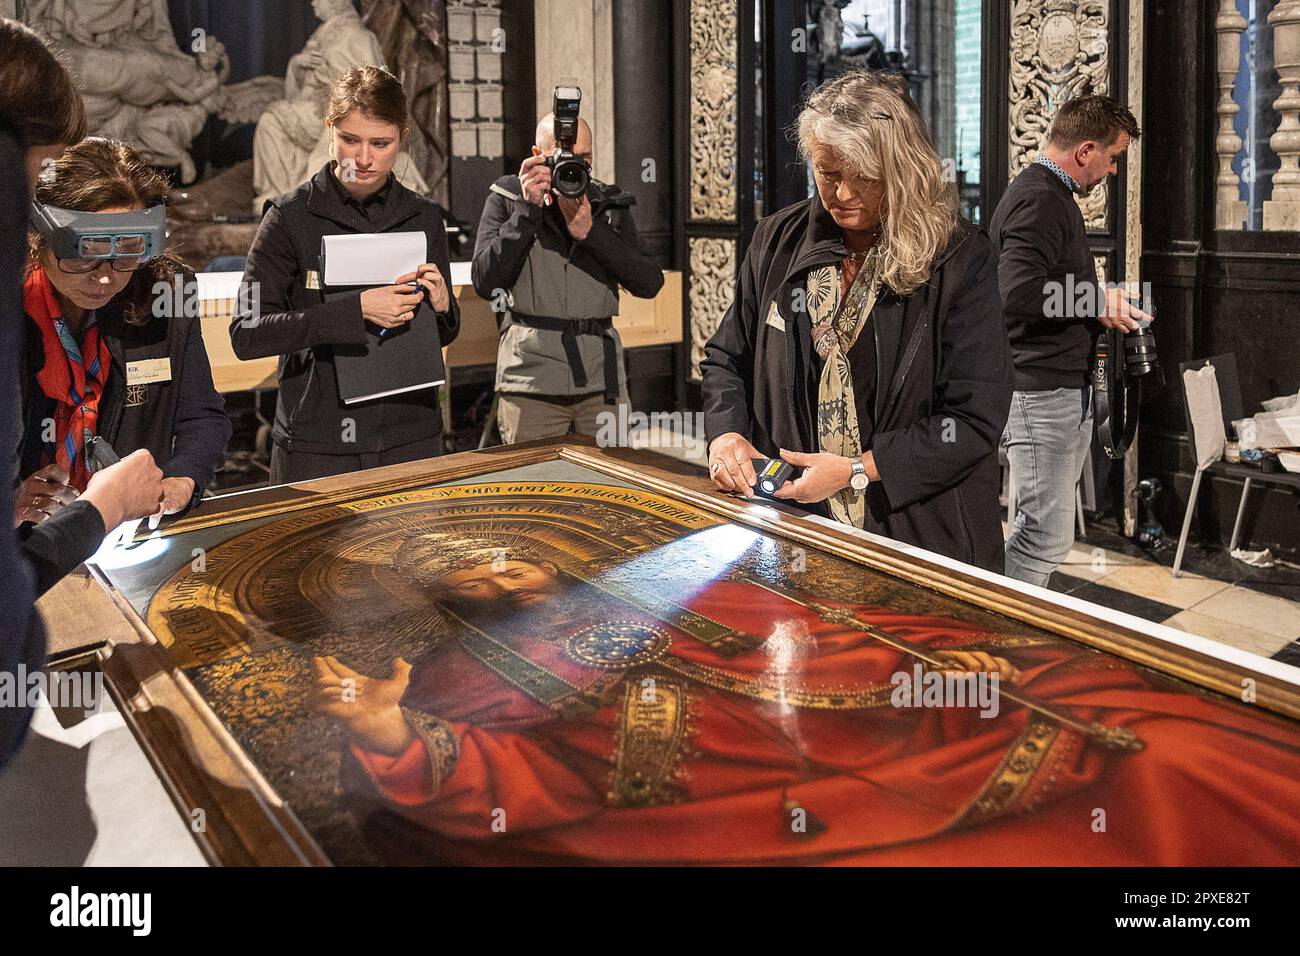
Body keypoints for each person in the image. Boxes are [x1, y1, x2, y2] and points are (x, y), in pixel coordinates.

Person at [308, 531, 1300, 865]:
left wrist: (968, 673)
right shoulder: (459, 676)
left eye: (501, 552)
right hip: (763, 806)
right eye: (468, 573)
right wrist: (394, 729)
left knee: (1173, 741)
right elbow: (529, 780)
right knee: (1142, 794)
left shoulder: (666, 580)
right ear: (452, 598)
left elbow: (860, 637)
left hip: (913, 727)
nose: (496, 570)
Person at [701, 71, 1013, 571]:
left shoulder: (958, 258)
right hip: (792, 524)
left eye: (862, 176)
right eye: (827, 173)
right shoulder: (776, 241)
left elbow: (973, 422)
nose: (841, 193)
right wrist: (726, 434)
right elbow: (726, 358)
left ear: (900, 167)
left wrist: (855, 471)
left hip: (918, 533)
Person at [0, 17, 164, 769]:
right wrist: (102, 507)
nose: (102, 279)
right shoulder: (19, 319)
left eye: (124, 260)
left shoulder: (151, 311)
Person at [232, 65, 459, 484]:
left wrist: (444, 307)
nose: (364, 158)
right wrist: (353, 311)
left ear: (403, 138)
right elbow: (246, 333)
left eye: (380, 143)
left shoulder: (424, 217)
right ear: (329, 129)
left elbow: (440, 334)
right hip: (319, 444)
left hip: (411, 436)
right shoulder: (289, 217)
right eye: (350, 140)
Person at [17, 137, 231, 577]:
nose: (104, 279)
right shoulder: (11, 308)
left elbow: (204, 419)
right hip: (25, 551)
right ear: (43, 237)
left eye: (126, 255)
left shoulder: (166, 293)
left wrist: (183, 479)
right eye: (84, 255)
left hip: (127, 542)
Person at [990, 96, 1149, 586]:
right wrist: (1097, 301)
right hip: (1040, 393)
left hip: (1053, 388)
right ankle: (992, 630)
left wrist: (1098, 299)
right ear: (1085, 150)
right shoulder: (1040, 197)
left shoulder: (1046, 193)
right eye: (1113, 156)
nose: (1113, 170)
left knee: (1045, 534)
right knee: (1044, 537)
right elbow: (1014, 292)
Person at [470, 109, 664, 445]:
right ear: (536, 155)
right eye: (561, 157)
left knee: (609, 489)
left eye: (584, 156)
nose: (573, 165)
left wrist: (593, 234)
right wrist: (526, 213)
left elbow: (649, 282)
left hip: (601, 382)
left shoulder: (609, 204)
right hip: (530, 381)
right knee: (532, 490)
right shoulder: (507, 199)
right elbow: (486, 281)